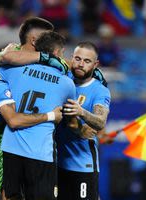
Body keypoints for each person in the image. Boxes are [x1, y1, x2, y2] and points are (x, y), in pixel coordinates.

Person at [0, 31, 76, 200]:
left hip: (11, 150)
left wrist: (3, 54)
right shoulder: (67, 84)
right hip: (40, 152)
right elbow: (72, 120)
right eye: (62, 53)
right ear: (56, 54)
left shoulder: (15, 71)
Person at [56, 42, 111, 200]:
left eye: (87, 61)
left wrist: (82, 112)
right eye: (78, 59)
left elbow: (100, 122)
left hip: (82, 166)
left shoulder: (100, 90)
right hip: (57, 163)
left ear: (95, 64)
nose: (80, 64)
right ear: (71, 58)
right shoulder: (64, 80)